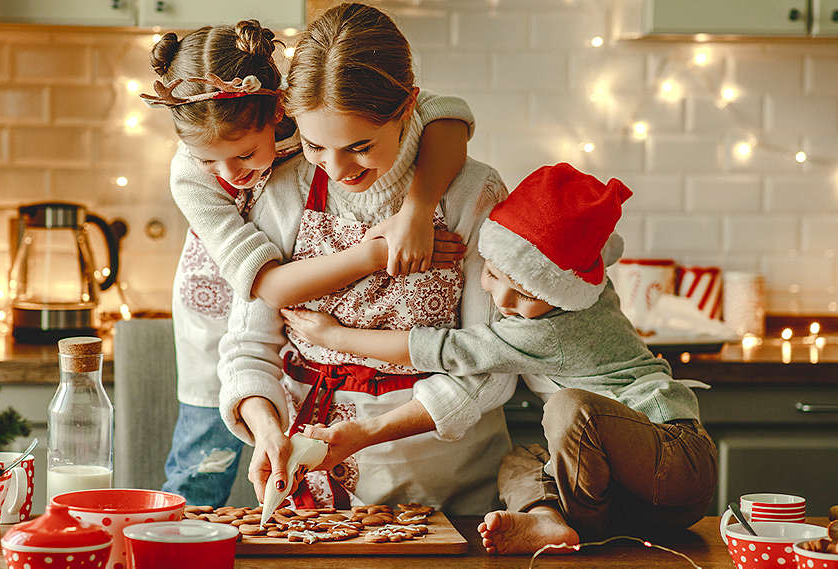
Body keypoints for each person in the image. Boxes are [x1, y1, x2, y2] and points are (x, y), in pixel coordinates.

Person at [283, 162, 717, 554]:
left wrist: (336, 335)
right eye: (491, 274)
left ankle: (581, 523)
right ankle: (549, 522)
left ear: (559, 291)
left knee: (571, 408)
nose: (501, 299)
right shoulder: (582, 282)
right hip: (634, 495)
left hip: (673, 458)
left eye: (525, 294)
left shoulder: (552, 328)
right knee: (516, 462)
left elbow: (445, 348)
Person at [143, 18, 474, 507]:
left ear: (280, 112)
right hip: (229, 298)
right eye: (208, 160)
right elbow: (269, 289)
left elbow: (444, 115)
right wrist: (376, 253)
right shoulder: (193, 176)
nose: (228, 175)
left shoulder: (315, 119)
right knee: (201, 465)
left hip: (299, 297)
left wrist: (418, 209)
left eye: (245, 155)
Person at [216, 2, 520, 515]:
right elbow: (249, 343)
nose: (335, 169)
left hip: (444, 488)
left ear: (408, 109)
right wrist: (267, 428)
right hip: (308, 487)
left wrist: (370, 432)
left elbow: (489, 363)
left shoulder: (470, 193)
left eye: (359, 146)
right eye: (314, 145)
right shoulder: (286, 186)